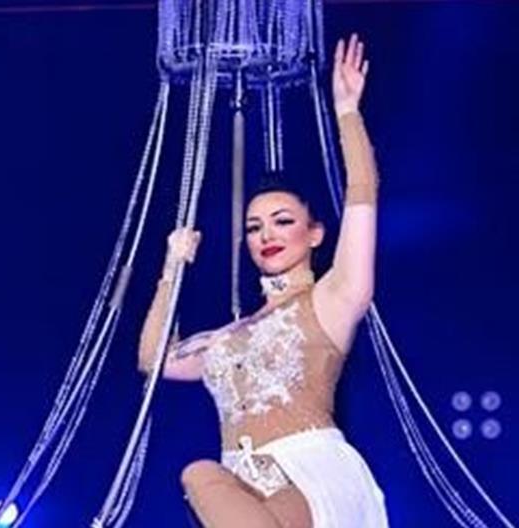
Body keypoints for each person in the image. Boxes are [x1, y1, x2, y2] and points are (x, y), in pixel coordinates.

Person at [138, 34, 388, 528]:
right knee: (197, 473)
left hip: (310, 479)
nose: (266, 235)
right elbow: (153, 360)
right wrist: (172, 266)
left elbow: (363, 194)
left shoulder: (331, 300)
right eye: (254, 227)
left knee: (201, 476)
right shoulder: (230, 338)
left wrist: (347, 113)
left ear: (315, 233)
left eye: (282, 221)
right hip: (242, 490)